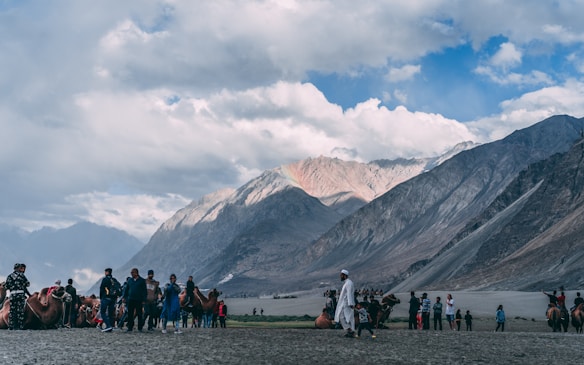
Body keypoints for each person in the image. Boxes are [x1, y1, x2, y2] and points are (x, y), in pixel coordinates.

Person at [5, 263, 31, 330]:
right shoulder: (22, 275)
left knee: (12, 311)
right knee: (20, 310)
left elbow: (6, 287)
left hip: (13, 295)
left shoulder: (9, 276)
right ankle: (20, 326)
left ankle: (11, 326)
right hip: (20, 295)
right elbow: (27, 284)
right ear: (19, 268)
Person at [334, 269, 356, 338]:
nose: (340, 276)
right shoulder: (346, 283)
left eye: (341, 275)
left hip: (347, 304)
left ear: (344, 275)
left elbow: (349, 294)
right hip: (344, 303)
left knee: (348, 317)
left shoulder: (349, 283)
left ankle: (351, 331)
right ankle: (349, 330)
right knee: (343, 317)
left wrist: (350, 303)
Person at [124, 268, 147, 332]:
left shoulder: (142, 281)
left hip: (139, 299)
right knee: (130, 314)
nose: (131, 274)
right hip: (131, 299)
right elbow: (127, 289)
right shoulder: (130, 280)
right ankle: (130, 327)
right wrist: (124, 297)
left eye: (132, 272)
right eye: (131, 273)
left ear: (136, 273)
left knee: (139, 314)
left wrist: (144, 299)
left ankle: (140, 328)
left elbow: (144, 291)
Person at [99, 268, 120, 332]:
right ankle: (111, 326)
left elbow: (102, 288)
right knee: (111, 313)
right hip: (113, 299)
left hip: (106, 298)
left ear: (107, 272)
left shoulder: (105, 279)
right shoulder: (114, 280)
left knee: (103, 312)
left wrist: (101, 298)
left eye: (105, 272)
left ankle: (108, 326)